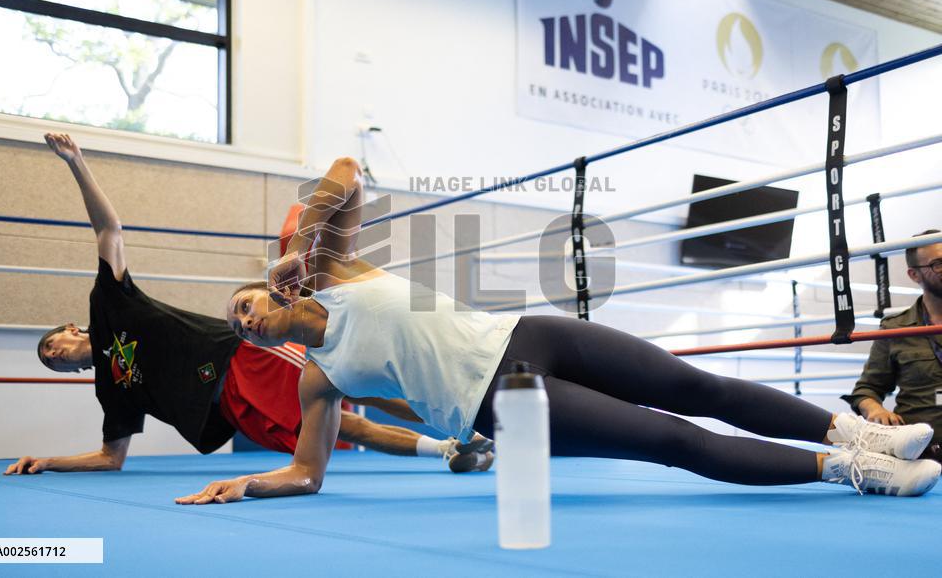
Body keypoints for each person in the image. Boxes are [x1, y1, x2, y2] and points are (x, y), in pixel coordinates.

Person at [177, 157, 941, 505]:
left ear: (267, 290)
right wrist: (246, 484)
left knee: (696, 384)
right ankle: (856, 473)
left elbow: (348, 171)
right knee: (671, 438)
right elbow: (308, 473)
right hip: (500, 403)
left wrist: (306, 241)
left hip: (527, 335)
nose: (243, 319)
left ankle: (858, 433)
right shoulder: (320, 378)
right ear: (259, 342)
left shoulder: (332, 270)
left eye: (243, 305)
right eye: (238, 327)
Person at [5, 135, 493, 478]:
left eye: (51, 345)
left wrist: (76, 162)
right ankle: (452, 446)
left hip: (240, 358)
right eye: (51, 362)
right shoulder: (110, 389)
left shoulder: (109, 305)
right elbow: (110, 458)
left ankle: (462, 431)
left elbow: (108, 231)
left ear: (72, 328)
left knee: (360, 388)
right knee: (336, 422)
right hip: (228, 408)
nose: (55, 355)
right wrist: (48, 462)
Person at [842, 230, 942, 462]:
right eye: (938, 264)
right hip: (919, 454)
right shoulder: (895, 328)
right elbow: (866, 390)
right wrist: (875, 410)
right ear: (914, 275)